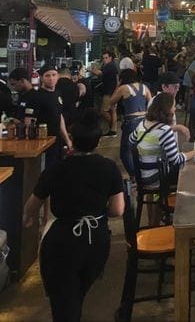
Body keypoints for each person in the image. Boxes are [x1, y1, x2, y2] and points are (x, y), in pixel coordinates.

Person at [22, 109, 124, 322]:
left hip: (62, 240)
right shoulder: (109, 168)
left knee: (64, 301)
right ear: (97, 142)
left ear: (72, 142)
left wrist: (28, 218)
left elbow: (32, 204)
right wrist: (94, 212)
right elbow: (117, 210)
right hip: (96, 240)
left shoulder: (56, 169)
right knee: (77, 294)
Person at [130, 93, 195, 224]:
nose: (175, 109)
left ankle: (154, 222)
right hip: (156, 178)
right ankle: (186, 219)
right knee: (191, 175)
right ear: (167, 110)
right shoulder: (165, 131)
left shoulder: (143, 124)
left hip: (142, 176)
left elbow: (131, 140)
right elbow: (175, 160)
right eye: (174, 107)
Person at [109, 69, 152, 178]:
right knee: (141, 148)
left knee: (125, 152)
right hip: (145, 121)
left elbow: (111, 101)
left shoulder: (123, 88)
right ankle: (143, 173)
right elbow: (151, 104)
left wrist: (117, 85)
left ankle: (134, 176)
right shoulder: (144, 87)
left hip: (131, 122)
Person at [36, 66, 72, 166]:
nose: (51, 78)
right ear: (42, 78)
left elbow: (59, 117)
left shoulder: (57, 93)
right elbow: (29, 121)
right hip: (43, 142)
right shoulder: (37, 96)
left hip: (57, 141)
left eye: (53, 75)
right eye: (47, 76)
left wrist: (67, 140)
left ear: (58, 76)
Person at [91, 51, 119, 137]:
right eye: (103, 58)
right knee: (113, 110)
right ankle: (113, 130)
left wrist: (90, 70)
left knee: (103, 111)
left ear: (110, 58)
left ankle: (112, 125)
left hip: (109, 92)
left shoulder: (109, 66)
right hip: (113, 91)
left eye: (106, 58)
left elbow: (99, 73)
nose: (104, 60)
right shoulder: (112, 65)